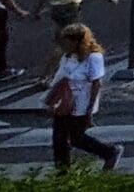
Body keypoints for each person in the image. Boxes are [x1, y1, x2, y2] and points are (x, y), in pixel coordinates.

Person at [45, 23, 121, 170]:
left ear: (77, 41)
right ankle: (62, 173)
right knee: (59, 140)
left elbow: (96, 84)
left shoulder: (93, 58)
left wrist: (89, 110)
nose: (64, 45)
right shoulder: (67, 56)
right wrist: (50, 100)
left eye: (67, 41)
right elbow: (60, 78)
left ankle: (109, 151)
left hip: (80, 104)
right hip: (64, 103)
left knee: (76, 138)